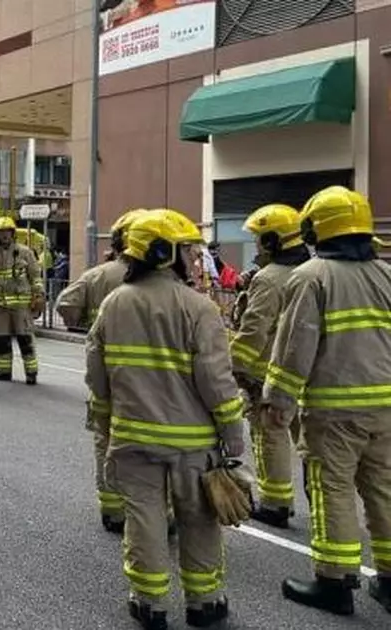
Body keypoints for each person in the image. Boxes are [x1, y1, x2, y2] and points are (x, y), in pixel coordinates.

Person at [86, 209, 243, 630]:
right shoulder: (199, 308)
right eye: (187, 251)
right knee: (199, 521)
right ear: (163, 252)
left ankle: (149, 602)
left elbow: (97, 377)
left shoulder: (113, 304)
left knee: (145, 519)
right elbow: (217, 384)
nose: (193, 260)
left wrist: (103, 425)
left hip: (133, 441)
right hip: (194, 446)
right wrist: (235, 440)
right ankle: (204, 603)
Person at [263, 186, 391, 617]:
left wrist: (278, 399)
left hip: (334, 412)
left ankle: (334, 583)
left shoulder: (311, 277)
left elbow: (295, 346)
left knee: (332, 489)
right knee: (385, 491)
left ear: (315, 229)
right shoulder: (386, 274)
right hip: (387, 408)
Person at [57, 207, 146, 533]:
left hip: (109, 376)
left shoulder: (100, 275)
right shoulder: (167, 282)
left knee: (107, 441)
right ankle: (160, 514)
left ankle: (113, 510)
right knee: (153, 449)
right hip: (157, 381)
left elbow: (65, 303)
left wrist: (84, 324)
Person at [228, 204, 312, 529]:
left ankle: (276, 503)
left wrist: (236, 367)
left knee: (271, 436)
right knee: (309, 443)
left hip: (269, 374)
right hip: (309, 375)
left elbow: (254, 330)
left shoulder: (269, 279)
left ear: (274, 241)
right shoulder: (314, 272)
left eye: (260, 239)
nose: (257, 246)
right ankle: (318, 502)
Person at [0, 216, 44, 384]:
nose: (4, 235)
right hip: (0, 306)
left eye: (7, 232)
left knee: (25, 340)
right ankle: (3, 371)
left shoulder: (25, 252)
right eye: (1, 232)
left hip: (21, 306)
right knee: (2, 341)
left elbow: (35, 276)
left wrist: (38, 295)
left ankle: (31, 373)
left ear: (12, 233)